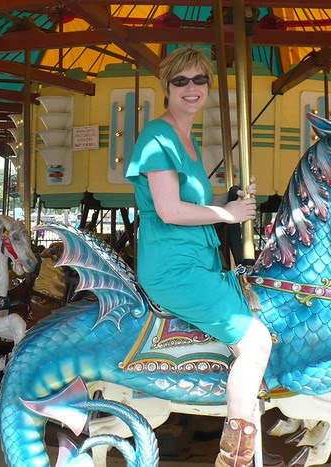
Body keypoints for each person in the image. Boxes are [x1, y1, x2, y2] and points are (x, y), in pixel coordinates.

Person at [126, 47, 272, 466]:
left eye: (199, 80)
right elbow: (170, 210)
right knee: (256, 342)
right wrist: (229, 214)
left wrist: (229, 201)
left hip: (201, 262)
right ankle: (234, 458)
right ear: (167, 87)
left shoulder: (188, 139)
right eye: (181, 81)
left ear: (208, 86)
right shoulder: (157, 138)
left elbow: (194, 205)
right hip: (173, 268)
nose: (191, 88)